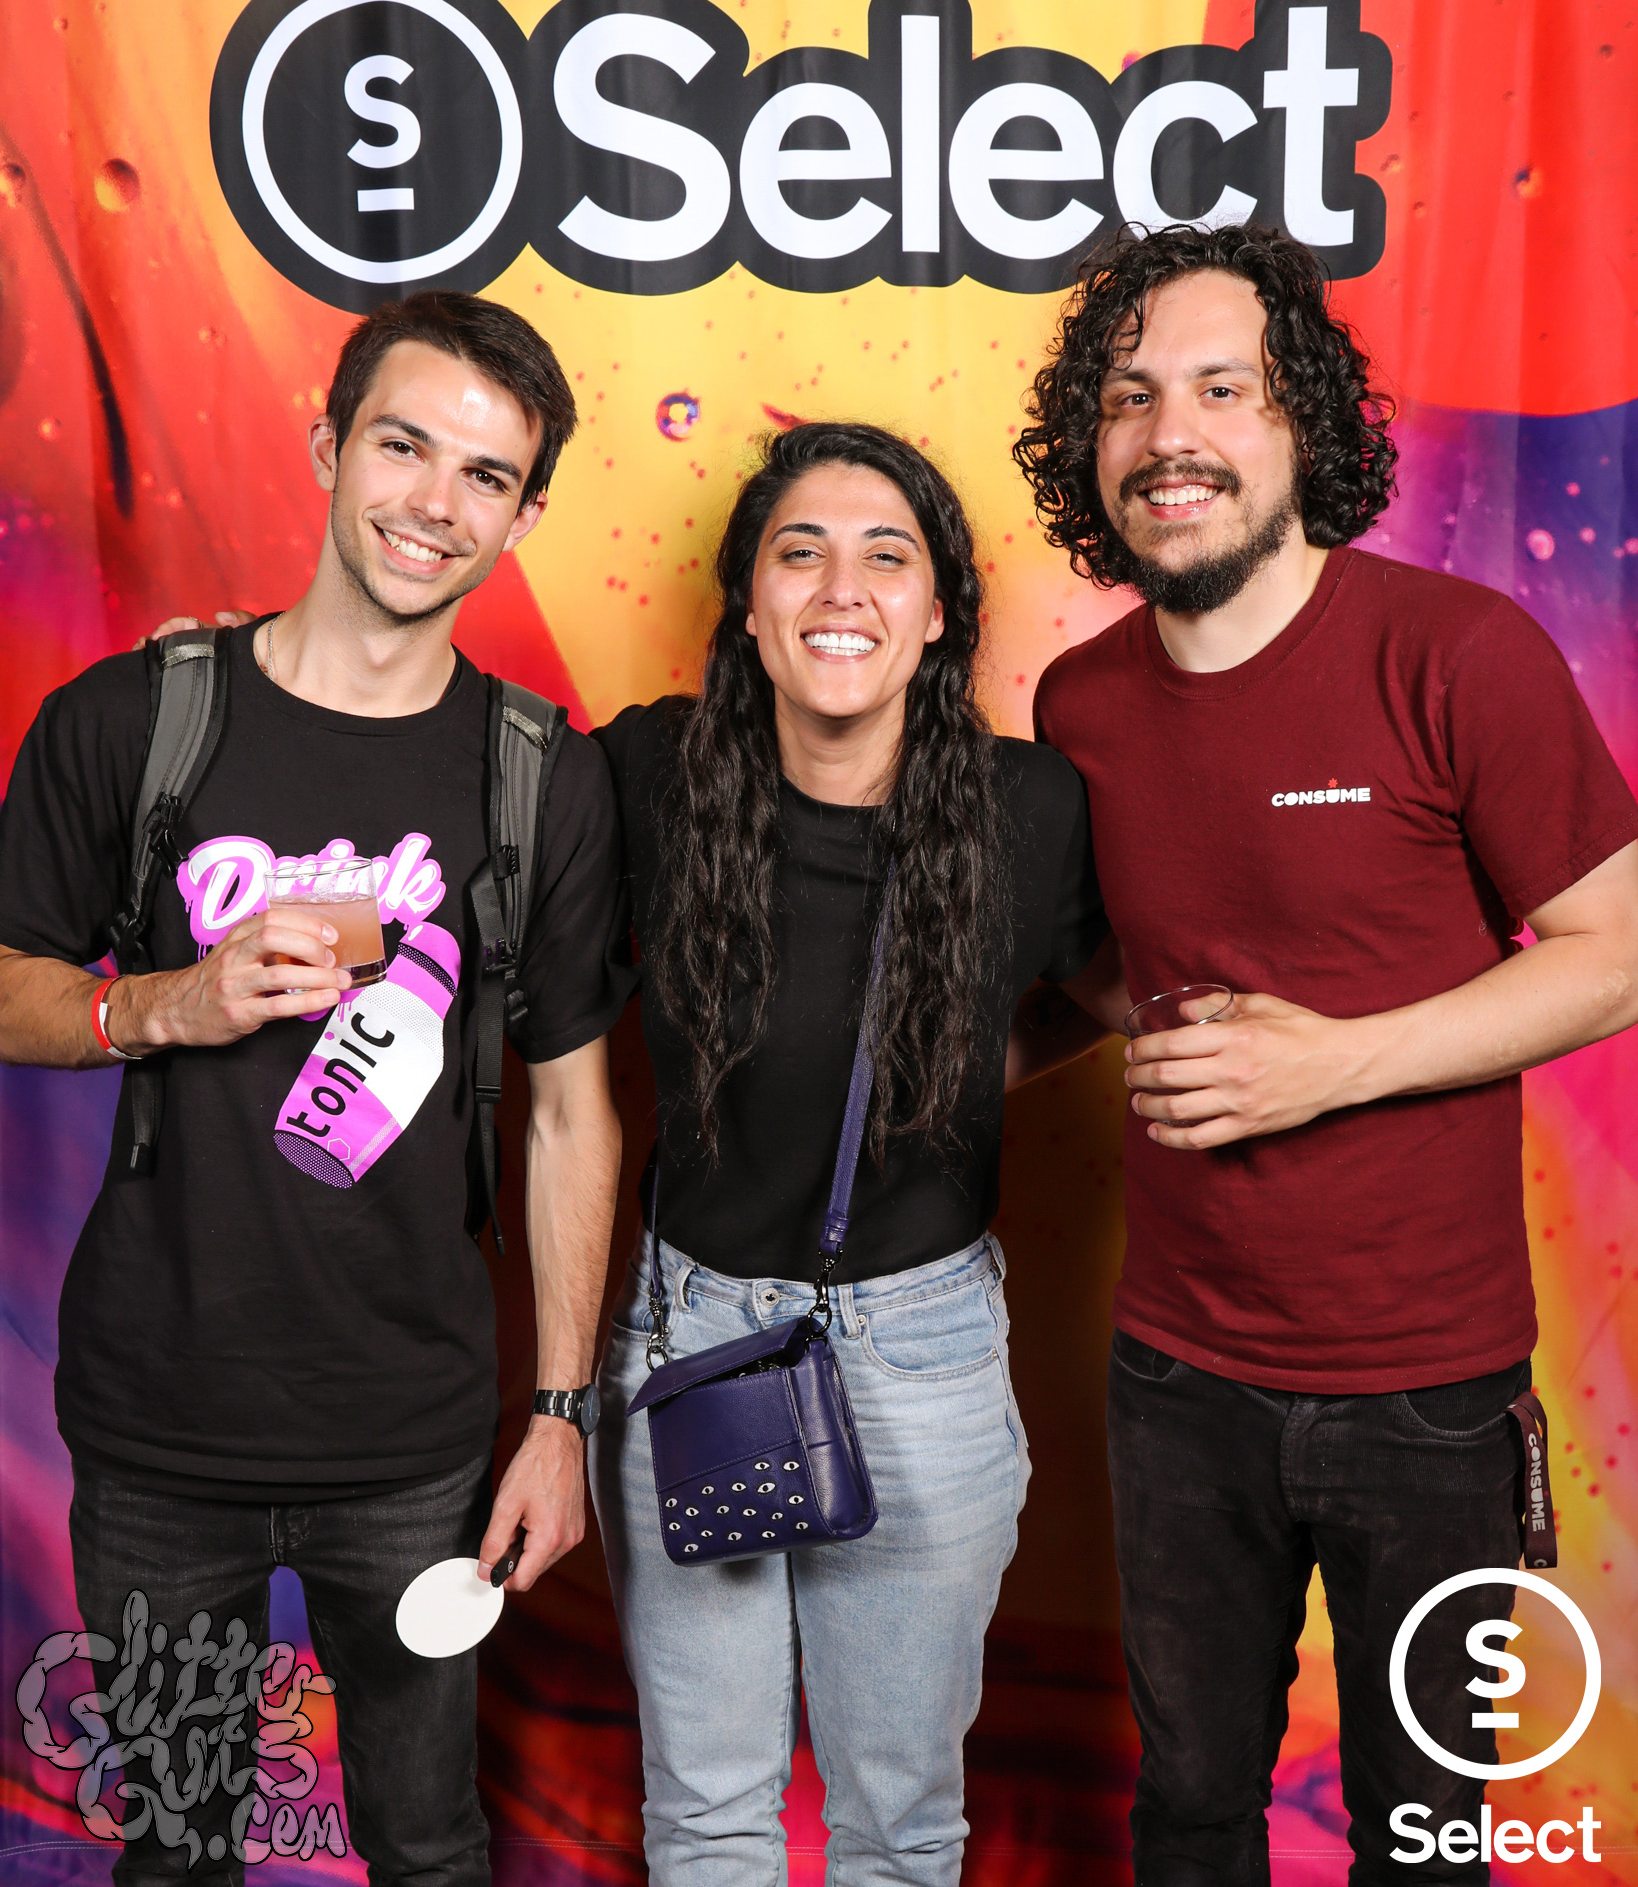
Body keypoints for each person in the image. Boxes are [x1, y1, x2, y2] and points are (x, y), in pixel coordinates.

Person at [1009, 222, 1638, 1884]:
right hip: (1173, 1376)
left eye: (1223, 388)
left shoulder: (1457, 654)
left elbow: (1616, 952)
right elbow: (1110, 976)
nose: (1171, 435)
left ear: (1302, 424)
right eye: (1130, 397)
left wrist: (1331, 1064)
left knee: (1422, 1837)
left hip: (1427, 1394)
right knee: (1189, 1814)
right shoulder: (1079, 706)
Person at [0, 292, 630, 1887]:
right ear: (327, 447)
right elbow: (5, 987)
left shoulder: (540, 778)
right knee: (181, 1851)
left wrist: (559, 1418)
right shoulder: (136, 721)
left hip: (411, 1443)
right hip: (163, 1428)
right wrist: (168, 1002)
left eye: (485, 475)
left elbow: (572, 1112)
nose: (435, 502)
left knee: (427, 1849)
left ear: (524, 516)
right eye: (403, 446)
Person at [590, 421, 1109, 1886]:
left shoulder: (1030, 808)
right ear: (748, 606)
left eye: (888, 556)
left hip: (921, 1350)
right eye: (799, 552)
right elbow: (446, 815)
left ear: (937, 612)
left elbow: (1119, 988)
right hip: (691, 1336)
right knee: (707, 1814)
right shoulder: (646, 771)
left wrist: (951, 1078)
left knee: (899, 1822)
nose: (841, 588)